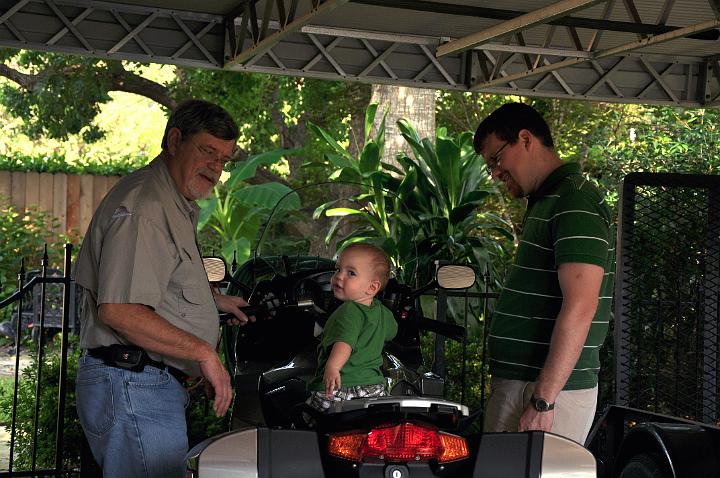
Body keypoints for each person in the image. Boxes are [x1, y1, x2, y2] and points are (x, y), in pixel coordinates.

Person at [74, 99, 253, 478]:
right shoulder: (146, 207)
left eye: (224, 159)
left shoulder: (171, 201)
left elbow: (155, 287)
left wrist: (212, 303)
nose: (216, 168)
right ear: (174, 141)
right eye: (208, 151)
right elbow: (120, 310)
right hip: (133, 384)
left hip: (140, 386)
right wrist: (203, 353)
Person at [474, 102, 614, 445]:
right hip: (527, 386)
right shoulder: (548, 199)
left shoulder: (575, 200)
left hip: (547, 394)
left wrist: (543, 399)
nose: (494, 172)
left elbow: (581, 306)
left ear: (525, 139)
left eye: (496, 159)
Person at [307, 243, 398, 412]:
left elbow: (344, 343)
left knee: (306, 425)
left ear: (372, 287)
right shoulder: (382, 312)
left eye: (351, 273)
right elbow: (392, 332)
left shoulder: (349, 310)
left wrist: (333, 368)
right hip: (373, 388)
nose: (339, 277)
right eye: (337, 269)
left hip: (341, 388)